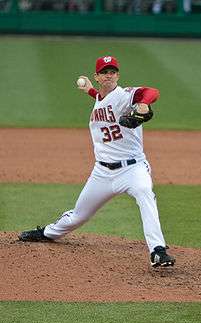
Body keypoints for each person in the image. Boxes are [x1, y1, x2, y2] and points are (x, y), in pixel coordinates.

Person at [19, 55, 175, 268]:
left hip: (133, 168)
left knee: (145, 194)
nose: (109, 75)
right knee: (78, 216)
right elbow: (101, 99)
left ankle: (157, 251)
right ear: (97, 77)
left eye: (112, 71)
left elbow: (150, 92)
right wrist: (91, 91)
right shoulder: (100, 98)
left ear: (118, 75)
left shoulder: (124, 95)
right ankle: (47, 232)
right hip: (101, 173)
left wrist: (143, 106)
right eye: (104, 72)